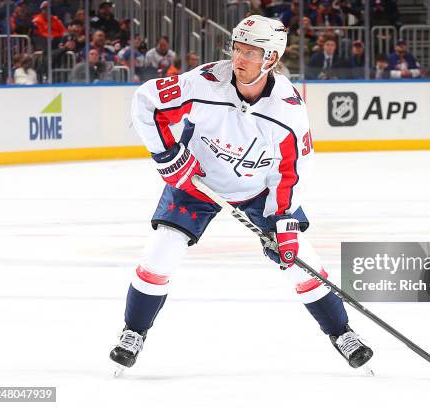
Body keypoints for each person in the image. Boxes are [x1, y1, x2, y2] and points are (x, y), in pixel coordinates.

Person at [109, 14, 373, 373]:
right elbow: (147, 102)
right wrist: (169, 156)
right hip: (197, 181)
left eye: (252, 52)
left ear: (272, 59)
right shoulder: (203, 83)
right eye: (237, 48)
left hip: (258, 190)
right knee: (162, 252)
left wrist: (283, 220)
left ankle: (342, 333)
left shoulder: (288, 110)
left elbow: (292, 172)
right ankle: (133, 333)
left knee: (299, 261)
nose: (240, 59)